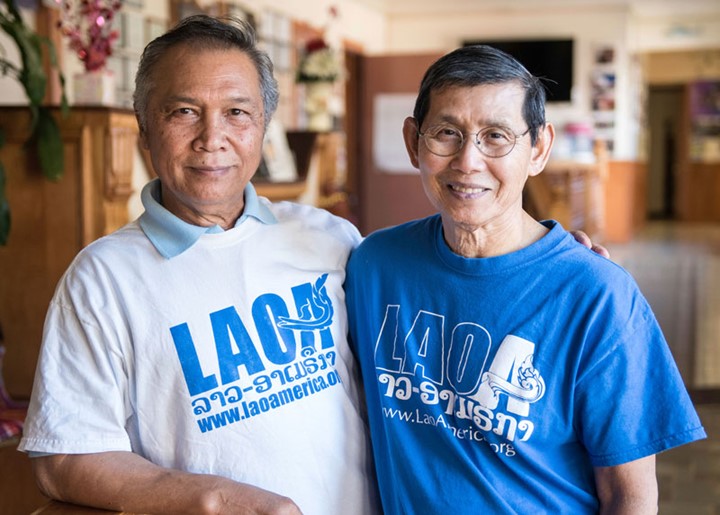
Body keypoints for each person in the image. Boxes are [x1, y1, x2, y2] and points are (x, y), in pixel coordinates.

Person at [19, 15, 379, 515]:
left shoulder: (330, 237)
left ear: (262, 128)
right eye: (184, 112)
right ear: (145, 129)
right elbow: (63, 458)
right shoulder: (102, 278)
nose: (213, 138)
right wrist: (210, 498)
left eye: (237, 112)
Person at [344, 45, 706, 514]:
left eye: (496, 136)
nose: (468, 161)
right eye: (446, 133)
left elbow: (630, 495)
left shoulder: (598, 295)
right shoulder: (374, 266)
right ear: (414, 142)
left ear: (538, 149)